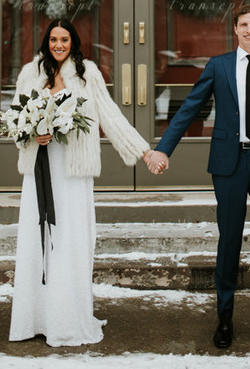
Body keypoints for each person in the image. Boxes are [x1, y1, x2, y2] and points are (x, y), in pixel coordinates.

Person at [145, 4, 250, 350]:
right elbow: (189, 108)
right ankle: (225, 317)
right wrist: (164, 149)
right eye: (242, 24)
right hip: (229, 165)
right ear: (235, 30)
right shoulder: (218, 66)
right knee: (229, 239)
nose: (248, 30)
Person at [9, 18, 153, 347]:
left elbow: (110, 114)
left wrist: (142, 151)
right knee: (38, 240)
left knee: (70, 241)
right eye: (53, 39)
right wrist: (33, 133)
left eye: (65, 39)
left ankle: (67, 319)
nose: (58, 45)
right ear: (46, 42)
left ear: (73, 42)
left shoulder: (87, 73)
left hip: (73, 171)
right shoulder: (30, 73)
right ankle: (34, 320)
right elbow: (16, 119)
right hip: (40, 168)